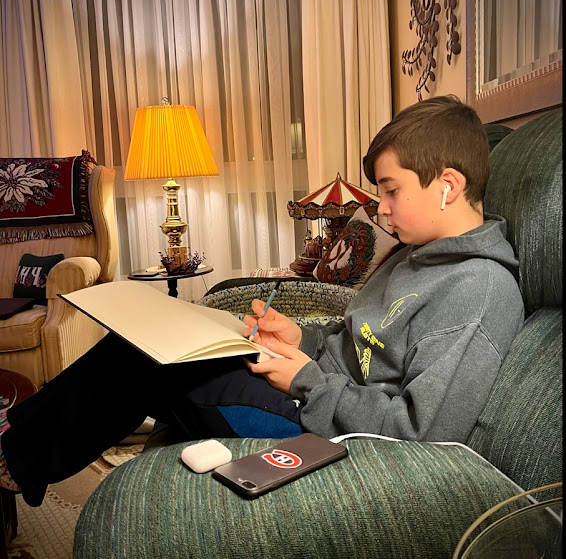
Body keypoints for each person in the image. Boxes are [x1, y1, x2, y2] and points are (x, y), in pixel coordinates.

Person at [0, 95, 524, 507]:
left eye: (391, 190)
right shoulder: (415, 254)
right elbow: (354, 338)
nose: (380, 209)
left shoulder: (477, 290)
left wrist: (306, 380)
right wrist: (300, 338)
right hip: (311, 391)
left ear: (448, 185)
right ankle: (21, 451)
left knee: (143, 362)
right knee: (149, 339)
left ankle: (14, 457)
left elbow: (422, 434)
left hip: (326, 432)